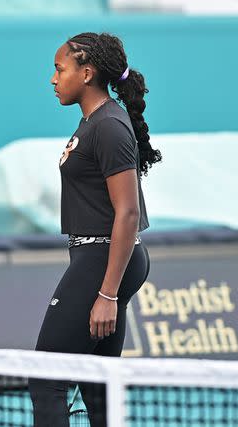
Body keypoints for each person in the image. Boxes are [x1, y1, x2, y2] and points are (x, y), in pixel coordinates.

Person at [28, 32, 162, 427]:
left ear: (86, 73)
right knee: (97, 385)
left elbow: (128, 214)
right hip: (101, 258)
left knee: (46, 379)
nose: (53, 79)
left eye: (59, 69)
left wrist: (106, 293)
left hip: (103, 260)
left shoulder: (108, 127)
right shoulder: (94, 122)